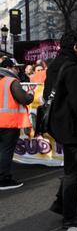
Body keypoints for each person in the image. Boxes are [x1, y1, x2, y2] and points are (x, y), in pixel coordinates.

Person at [43, 30, 77, 229]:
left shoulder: (55, 65)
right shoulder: (74, 69)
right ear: (75, 47)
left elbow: (48, 94)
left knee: (74, 164)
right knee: (72, 170)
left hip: (58, 123)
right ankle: (69, 216)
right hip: (72, 125)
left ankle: (60, 203)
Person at [0, 58, 34, 190]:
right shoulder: (11, 81)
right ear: (9, 68)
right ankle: (3, 179)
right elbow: (24, 99)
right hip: (8, 124)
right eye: (16, 67)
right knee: (5, 152)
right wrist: (30, 94)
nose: (18, 70)